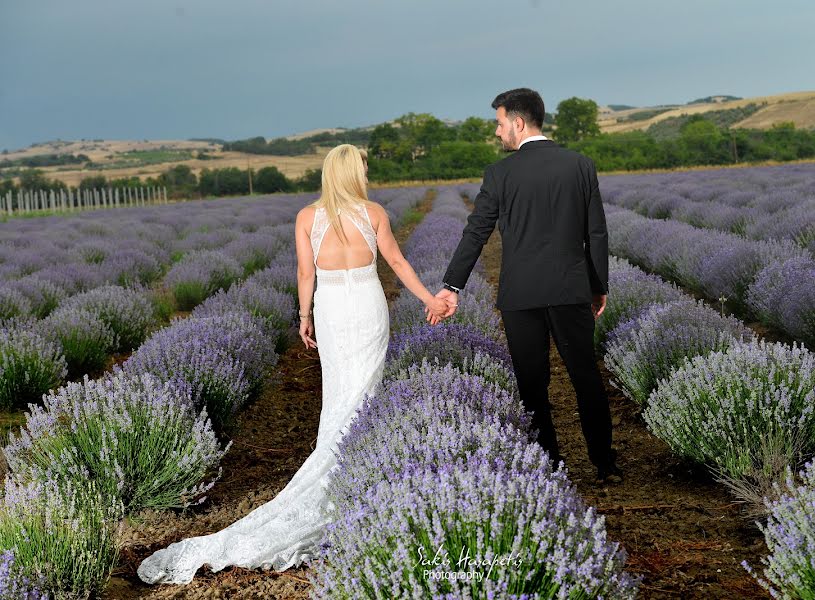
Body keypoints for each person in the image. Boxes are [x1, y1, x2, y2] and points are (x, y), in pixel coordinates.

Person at [137, 144, 450, 584]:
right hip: (366, 305)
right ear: (350, 173)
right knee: (364, 392)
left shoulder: (307, 217)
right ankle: (350, 477)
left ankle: (338, 468)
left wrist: (304, 316)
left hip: (332, 309)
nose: (367, 172)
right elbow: (396, 262)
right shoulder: (374, 212)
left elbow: (306, 274)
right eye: (363, 166)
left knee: (339, 393)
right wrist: (429, 300)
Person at [429, 88, 622, 484]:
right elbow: (596, 233)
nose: (497, 133)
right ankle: (605, 465)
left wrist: (453, 285)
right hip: (571, 289)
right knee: (585, 377)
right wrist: (597, 284)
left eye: (499, 124)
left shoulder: (500, 174)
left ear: (518, 123)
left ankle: (549, 466)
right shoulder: (580, 165)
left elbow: (476, 232)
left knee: (532, 385)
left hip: (521, 296)